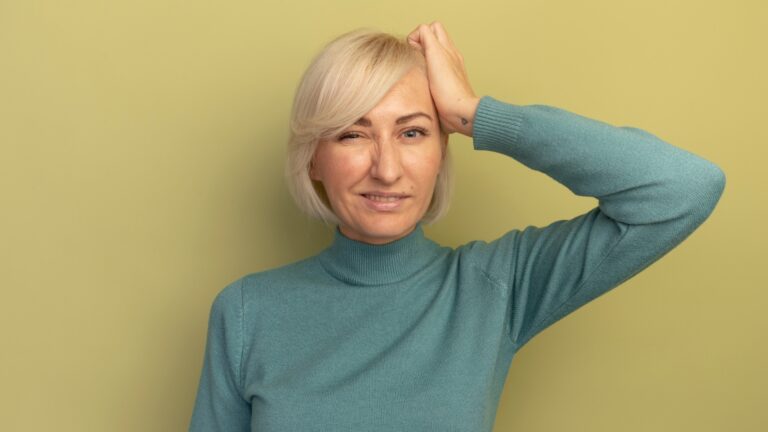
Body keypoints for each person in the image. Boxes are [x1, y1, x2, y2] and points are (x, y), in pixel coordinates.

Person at [189, 22, 725, 431]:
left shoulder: (494, 286)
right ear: (313, 159)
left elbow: (682, 188)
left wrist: (473, 112)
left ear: (444, 150)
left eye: (413, 133)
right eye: (353, 135)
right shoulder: (245, 312)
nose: (387, 168)